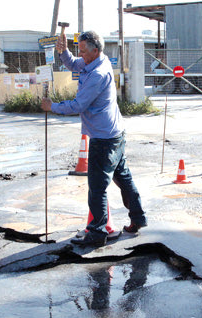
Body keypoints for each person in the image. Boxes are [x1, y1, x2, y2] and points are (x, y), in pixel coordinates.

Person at [41, 30, 147, 247]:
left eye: (83, 51)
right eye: (78, 50)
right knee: (123, 178)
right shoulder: (99, 61)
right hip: (114, 133)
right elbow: (74, 64)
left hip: (104, 139)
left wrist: (52, 106)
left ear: (95, 50)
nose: (81, 56)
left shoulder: (98, 75)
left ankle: (97, 233)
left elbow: (78, 105)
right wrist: (64, 52)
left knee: (97, 188)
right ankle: (138, 218)